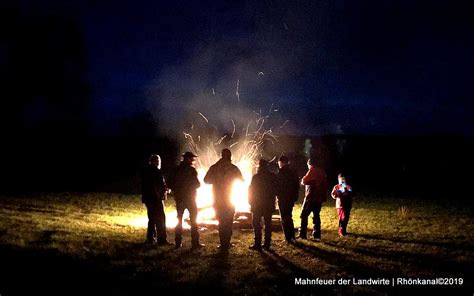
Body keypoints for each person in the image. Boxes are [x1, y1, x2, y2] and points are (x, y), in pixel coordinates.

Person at [204, 148, 243, 250]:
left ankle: (223, 243)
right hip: (229, 200)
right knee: (228, 221)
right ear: (230, 156)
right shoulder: (233, 168)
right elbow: (241, 180)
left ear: (221, 155)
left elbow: (206, 180)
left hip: (217, 200)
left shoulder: (214, 167)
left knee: (221, 221)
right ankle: (227, 242)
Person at [168, 152, 204, 249]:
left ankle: (178, 243)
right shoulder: (191, 170)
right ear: (188, 159)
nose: (193, 160)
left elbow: (169, 183)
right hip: (190, 199)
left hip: (179, 198)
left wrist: (177, 189)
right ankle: (195, 243)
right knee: (194, 221)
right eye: (192, 159)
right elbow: (197, 184)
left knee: (179, 220)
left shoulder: (176, 170)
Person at [248, 159, 278, 251]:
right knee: (268, 223)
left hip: (257, 204)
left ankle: (257, 243)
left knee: (256, 223)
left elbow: (251, 190)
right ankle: (267, 243)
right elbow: (276, 189)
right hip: (268, 204)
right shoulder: (272, 176)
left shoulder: (256, 177)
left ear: (259, 166)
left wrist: (250, 201)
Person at [141, 154, 170, 245]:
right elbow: (156, 186)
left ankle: (151, 239)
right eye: (156, 161)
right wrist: (160, 194)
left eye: (158, 160)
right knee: (160, 219)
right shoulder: (155, 172)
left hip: (150, 199)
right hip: (155, 199)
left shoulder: (148, 171)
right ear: (153, 161)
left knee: (152, 219)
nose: (158, 162)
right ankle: (161, 240)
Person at [299, 158, 328, 240]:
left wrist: (302, 180)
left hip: (311, 197)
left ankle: (302, 233)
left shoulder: (312, 170)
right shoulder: (322, 172)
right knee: (316, 215)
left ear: (309, 164)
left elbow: (304, 181)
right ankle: (317, 234)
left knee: (304, 215)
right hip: (319, 197)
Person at [276, 155, 300, 244]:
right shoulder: (293, 172)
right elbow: (296, 185)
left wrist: (277, 194)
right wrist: (294, 197)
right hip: (290, 198)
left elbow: (278, 186)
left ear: (281, 162)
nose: (278, 164)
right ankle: (292, 236)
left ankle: (288, 237)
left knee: (284, 217)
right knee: (289, 216)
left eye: (279, 162)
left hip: (283, 198)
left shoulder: (282, 172)